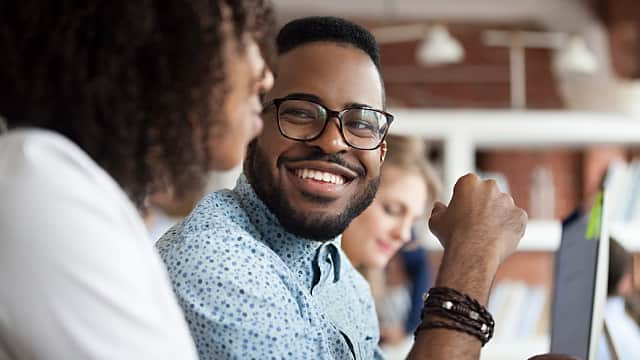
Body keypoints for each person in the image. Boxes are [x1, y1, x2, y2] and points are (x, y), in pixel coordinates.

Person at [157, 16, 529, 360]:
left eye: (361, 123)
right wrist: (472, 254)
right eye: (301, 112)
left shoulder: (344, 279)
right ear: (255, 125)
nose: (333, 142)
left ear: (380, 151)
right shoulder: (217, 262)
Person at [0, 0, 274, 358]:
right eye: (241, 35)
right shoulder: (41, 184)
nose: (266, 75)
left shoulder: (71, 188)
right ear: (157, 44)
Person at [341, 134, 442, 346]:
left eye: (412, 221)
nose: (404, 235)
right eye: (393, 210)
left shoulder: (358, 291)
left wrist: (408, 328)